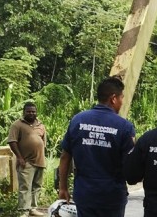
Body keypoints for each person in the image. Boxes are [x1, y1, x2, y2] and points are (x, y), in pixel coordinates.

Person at [58, 77, 136, 217]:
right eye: (121, 98)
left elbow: (65, 157)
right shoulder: (124, 127)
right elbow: (130, 165)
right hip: (112, 196)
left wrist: (63, 187)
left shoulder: (78, 120)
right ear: (113, 98)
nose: (122, 102)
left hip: (85, 194)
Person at [8, 102, 46, 217]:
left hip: (40, 161)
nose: (31, 113)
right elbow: (12, 142)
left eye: (33, 111)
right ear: (24, 112)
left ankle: (33, 209)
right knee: (25, 187)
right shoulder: (17, 125)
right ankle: (23, 211)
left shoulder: (41, 125)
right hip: (25, 162)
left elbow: (43, 143)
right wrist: (19, 157)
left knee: (36, 186)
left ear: (36, 112)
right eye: (28, 111)